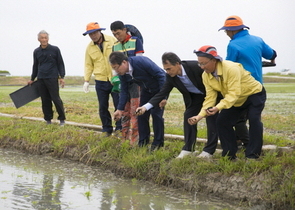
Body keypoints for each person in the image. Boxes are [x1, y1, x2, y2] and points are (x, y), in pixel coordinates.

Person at [136, 52, 220, 158]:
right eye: (165, 69)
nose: (167, 72)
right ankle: (188, 149)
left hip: (211, 95)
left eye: (169, 68)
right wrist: (145, 107)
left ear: (177, 64)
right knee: (188, 117)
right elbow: (162, 93)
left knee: (211, 117)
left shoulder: (195, 67)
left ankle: (208, 151)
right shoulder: (171, 77)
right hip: (195, 98)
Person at [188, 45, 266, 160]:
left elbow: (233, 93)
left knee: (254, 120)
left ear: (214, 60)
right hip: (235, 100)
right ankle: (229, 156)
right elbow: (210, 98)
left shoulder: (231, 68)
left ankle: (252, 155)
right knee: (222, 122)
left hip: (253, 94)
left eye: (204, 63)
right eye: (199, 64)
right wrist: (199, 116)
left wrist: (218, 108)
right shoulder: (206, 75)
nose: (202, 67)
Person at [218, 15, 277, 148]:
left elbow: (229, 65)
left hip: (243, 87)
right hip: (258, 87)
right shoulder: (257, 40)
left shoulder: (233, 44)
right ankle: (252, 150)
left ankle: (243, 143)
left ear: (233, 30)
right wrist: (271, 61)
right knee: (255, 120)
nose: (226, 33)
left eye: (227, 31)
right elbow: (271, 54)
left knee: (237, 118)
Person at [109, 51, 165, 151]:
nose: (116, 71)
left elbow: (161, 75)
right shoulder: (123, 74)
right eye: (114, 69)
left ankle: (158, 144)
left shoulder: (141, 61)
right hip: (146, 90)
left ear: (124, 62)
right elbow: (124, 91)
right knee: (141, 114)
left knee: (156, 115)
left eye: (116, 67)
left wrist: (163, 96)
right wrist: (119, 109)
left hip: (159, 90)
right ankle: (143, 143)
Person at [83, 22, 121, 137]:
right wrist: (86, 80)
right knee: (102, 106)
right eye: (90, 34)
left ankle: (119, 129)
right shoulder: (89, 48)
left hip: (114, 78)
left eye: (95, 32)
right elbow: (88, 65)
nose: (93, 36)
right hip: (100, 80)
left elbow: (120, 56)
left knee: (118, 104)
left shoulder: (112, 40)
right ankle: (106, 129)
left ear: (100, 31)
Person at [110, 20, 144, 144]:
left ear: (125, 30)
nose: (117, 37)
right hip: (123, 82)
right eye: (114, 34)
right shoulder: (115, 46)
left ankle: (134, 142)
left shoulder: (135, 41)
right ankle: (124, 140)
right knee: (124, 112)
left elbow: (139, 62)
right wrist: (115, 78)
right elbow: (114, 65)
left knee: (135, 112)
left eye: (119, 33)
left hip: (135, 82)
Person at [28, 30, 66, 126]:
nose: (44, 39)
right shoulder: (36, 51)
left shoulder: (55, 49)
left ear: (48, 39)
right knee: (45, 100)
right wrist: (32, 78)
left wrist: (62, 76)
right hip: (41, 78)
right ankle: (48, 120)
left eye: (45, 38)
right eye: (42, 38)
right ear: (38, 39)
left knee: (56, 99)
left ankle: (62, 119)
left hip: (52, 77)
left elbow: (60, 63)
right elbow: (35, 65)